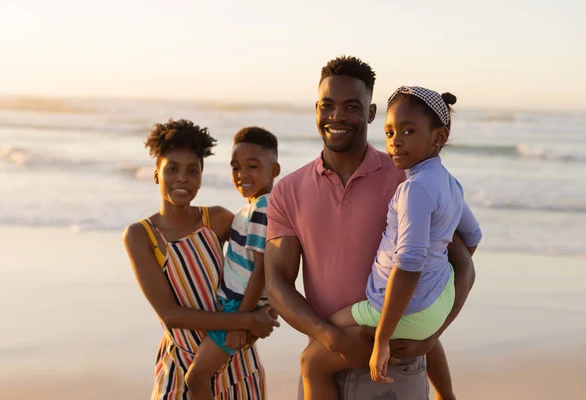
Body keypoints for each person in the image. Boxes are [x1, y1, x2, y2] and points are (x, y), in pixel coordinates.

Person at [264, 56, 477, 399]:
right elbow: (276, 283)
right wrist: (330, 337)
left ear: (371, 112)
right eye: (327, 105)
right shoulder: (288, 191)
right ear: (316, 108)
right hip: (325, 362)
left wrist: (432, 335)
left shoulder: (408, 179)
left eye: (351, 106)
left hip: (396, 366)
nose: (337, 116)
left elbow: (461, 261)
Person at [123, 119, 279, 400]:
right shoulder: (140, 235)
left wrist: (269, 312)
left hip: (237, 361)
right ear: (156, 174)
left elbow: (266, 259)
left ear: (201, 177)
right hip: (183, 367)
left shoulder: (216, 220)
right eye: (172, 169)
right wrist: (246, 319)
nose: (182, 178)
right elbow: (170, 315)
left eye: (192, 171)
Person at [184, 126, 281, 400]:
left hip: (237, 309)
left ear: (274, 170)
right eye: (236, 167)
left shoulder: (263, 207)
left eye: (252, 166)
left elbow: (262, 269)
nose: (242, 174)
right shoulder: (250, 209)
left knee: (196, 378)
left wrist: (240, 322)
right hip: (236, 309)